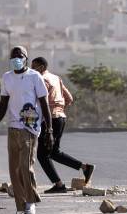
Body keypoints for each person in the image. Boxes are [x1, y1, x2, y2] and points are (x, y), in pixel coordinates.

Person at [0, 46, 53, 214]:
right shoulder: (7, 77)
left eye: (19, 56)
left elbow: (44, 103)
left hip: (30, 127)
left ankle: (30, 203)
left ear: (26, 58)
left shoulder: (35, 76)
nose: (16, 58)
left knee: (26, 166)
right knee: (14, 169)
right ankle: (20, 205)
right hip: (13, 127)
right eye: (13, 56)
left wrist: (49, 129)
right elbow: (3, 103)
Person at [30, 57, 95, 193]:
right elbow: (69, 99)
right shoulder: (56, 78)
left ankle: (59, 185)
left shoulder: (41, 79)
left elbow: (41, 101)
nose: (31, 69)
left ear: (41, 67)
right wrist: (59, 107)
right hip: (61, 118)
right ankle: (85, 167)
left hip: (50, 120)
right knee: (54, 152)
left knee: (42, 155)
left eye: (34, 66)